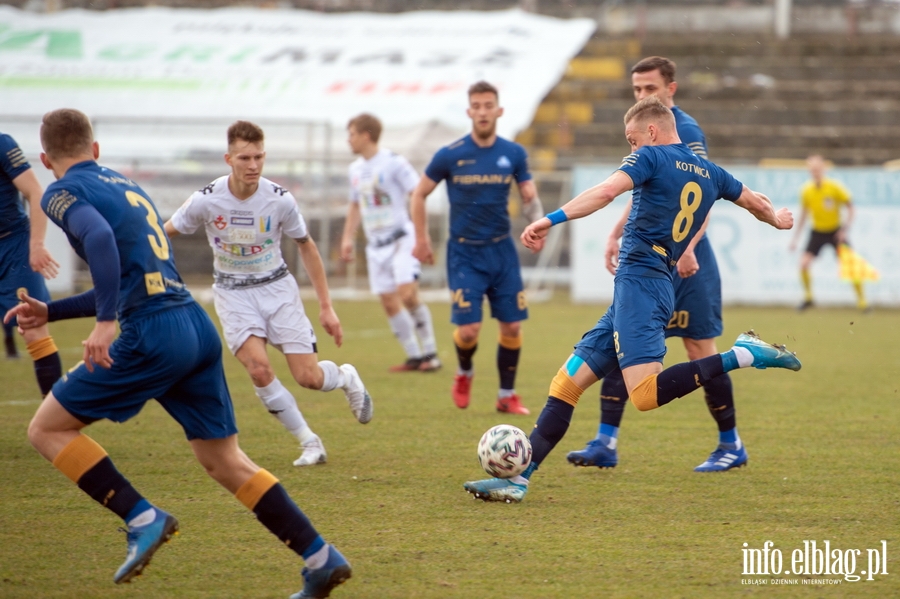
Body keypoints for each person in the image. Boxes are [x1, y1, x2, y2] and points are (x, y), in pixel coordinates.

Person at [5, 109, 353, 598]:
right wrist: (53, 312)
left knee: (46, 429)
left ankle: (142, 517)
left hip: (152, 333)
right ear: (96, 149)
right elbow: (131, 276)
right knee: (224, 461)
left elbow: (102, 244)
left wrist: (106, 323)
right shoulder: (124, 185)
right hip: (193, 325)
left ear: (45, 159)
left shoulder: (62, 191)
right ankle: (321, 558)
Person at [463, 96, 801, 504]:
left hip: (643, 283)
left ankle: (743, 355)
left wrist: (548, 219)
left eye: (632, 139)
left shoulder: (651, 158)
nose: (631, 148)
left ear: (653, 131)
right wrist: (777, 219)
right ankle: (519, 480)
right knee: (566, 384)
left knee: (643, 395)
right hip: (643, 285)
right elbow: (755, 200)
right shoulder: (711, 171)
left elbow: (606, 192)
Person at [567, 56, 745, 473]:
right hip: (653, 262)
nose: (643, 95)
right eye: (637, 90)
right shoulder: (644, 132)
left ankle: (730, 444)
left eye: (650, 89)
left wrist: (688, 250)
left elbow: (703, 193)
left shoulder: (685, 130)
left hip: (685, 261)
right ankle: (605, 442)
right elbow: (649, 192)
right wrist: (615, 232)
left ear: (671, 89)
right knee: (622, 341)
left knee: (699, 348)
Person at [164, 121, 373, 468]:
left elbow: (306, 246)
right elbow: (164, 232)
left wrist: (326, 306)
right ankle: (310, 442)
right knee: (259, 370)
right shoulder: (206, 199)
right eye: (245, 158)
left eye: (259, 157)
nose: (253, 165)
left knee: (308, 378)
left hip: (277, 290)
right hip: (232, 294)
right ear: (228, 158)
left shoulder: (280, 200)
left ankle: (346, 377)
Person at [410, 80, 544, 415]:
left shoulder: (512, 153)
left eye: (489, 106)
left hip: (502, 252)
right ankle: (464, 372)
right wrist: (421, 239)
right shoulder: (451, 155)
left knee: (512, 326)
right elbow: (419, 194)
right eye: (477, 106)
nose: (483, 112)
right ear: (469, 112)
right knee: (468, 331)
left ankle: (506, 395)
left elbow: (529, 195)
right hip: (464, 255)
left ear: (499, 111)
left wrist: (538, 222)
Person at [341, 113, 441, 373]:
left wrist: (422, 236)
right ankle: (414, 356)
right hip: (376, 245)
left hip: (401, 239)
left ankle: (431, 352)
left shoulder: (394, 163)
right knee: (388, 301)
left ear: (366, 135)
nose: (348, 140)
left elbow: (418, 193)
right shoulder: (355, 170)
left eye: (351, 134)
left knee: (407, 293)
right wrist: (347, 237)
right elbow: (355, 204)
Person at [0, 131, 62, 390]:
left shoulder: (3, 144)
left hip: (14, 246)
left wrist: (35, 245)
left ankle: (57, 419)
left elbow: (36, 193)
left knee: (32, 326)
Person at [789, 154, 866, 311]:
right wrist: (795, 238)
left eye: (817, 169)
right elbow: (804, 215)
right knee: (803, 263)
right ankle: (809, 298)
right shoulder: (806, 190)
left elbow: (851, 208)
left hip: (835, 231)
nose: (815, 172)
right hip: (817, 231)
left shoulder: (834, 187)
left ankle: (862, 302)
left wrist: (845, 229)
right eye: (812, 169)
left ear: (823, 169)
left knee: (851, 265)